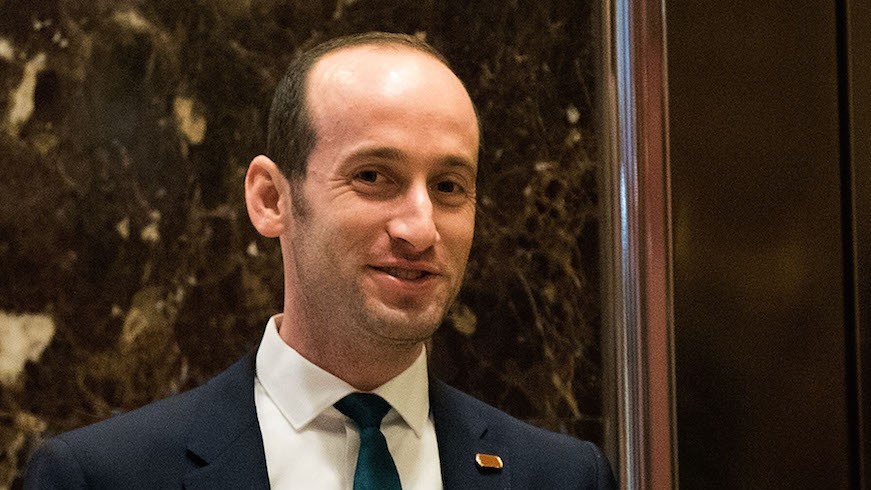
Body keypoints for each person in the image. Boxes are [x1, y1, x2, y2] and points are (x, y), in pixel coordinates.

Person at [24, 32, 617, 489]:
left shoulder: (561, 477)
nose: (420, 227)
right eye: (372, 176)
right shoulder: (104, 477)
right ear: (271, 199)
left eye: (449, 186)